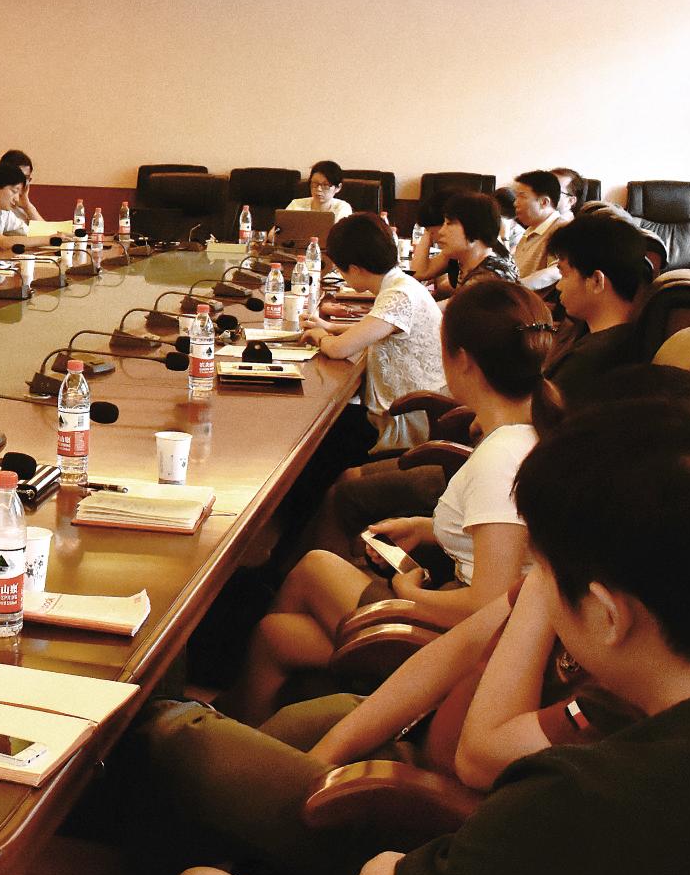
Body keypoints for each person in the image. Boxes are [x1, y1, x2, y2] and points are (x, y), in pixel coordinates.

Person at [165, 398, 690, 875]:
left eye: (545, 577)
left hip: (418, 828)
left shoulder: (591, 792)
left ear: (608, 614)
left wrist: (380, 868)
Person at [226, 279, 551, 721]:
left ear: (462, 360)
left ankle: (232, 726)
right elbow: (504, 538)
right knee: (276, 634)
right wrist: (426, 529)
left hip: (468, 648)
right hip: (473, 628)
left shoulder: (502, 457)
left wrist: (407, 592)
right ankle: (241, 730)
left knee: (314, 567)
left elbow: (488, 603)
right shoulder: (526, 430)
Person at [301, 214, 445, 455]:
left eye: (340, 269)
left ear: (355, 269)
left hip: (405, 423)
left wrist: (320, 336)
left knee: (316, 434)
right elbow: (379, 330)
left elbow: (339, 349)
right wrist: (331, 328)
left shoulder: (398, 296)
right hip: (413, 409)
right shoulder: (401, 283)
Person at [544, 212, 654, 400]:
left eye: (564, 274)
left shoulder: (590, 361)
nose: (559, 286)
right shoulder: (618, 337)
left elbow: (540, 411)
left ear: (596, 281)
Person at [426, 191, 520, 297]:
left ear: (474, 227)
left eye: (449, 223)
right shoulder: (479, 265)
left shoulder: (487, 279)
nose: (441, 231)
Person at [509, 169, 571, 285]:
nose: (515, 203)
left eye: (522, 196)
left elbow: (558, 270)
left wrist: (516, 288)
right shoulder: (531, 229)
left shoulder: (562, 230)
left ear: (544, 202)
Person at [285, 160, 352, 221]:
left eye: (325, 185)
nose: (318, 189)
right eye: (315, 183)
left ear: (338, 187)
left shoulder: (342, 208)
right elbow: (281, 227)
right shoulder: (296, 205)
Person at [0, 148, 46, 224]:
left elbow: (45, 229)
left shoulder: (23, 204)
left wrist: (27, 206)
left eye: (26, 178)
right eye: (19, 177)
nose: (22, 183)